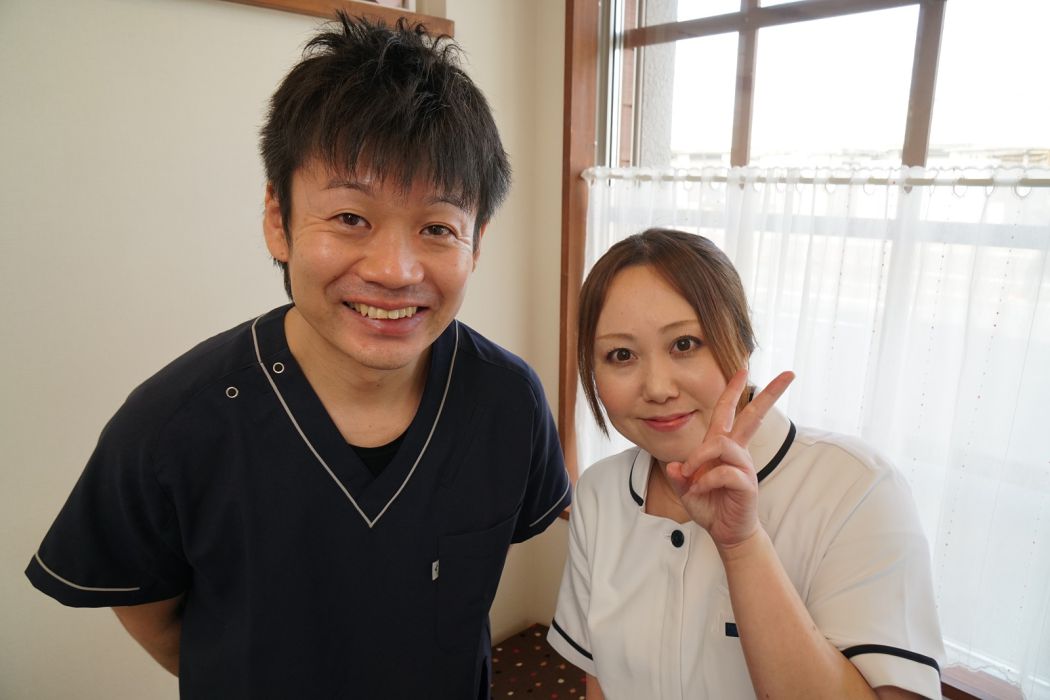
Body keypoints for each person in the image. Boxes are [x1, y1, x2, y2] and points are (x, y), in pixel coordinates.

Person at [26, 14, 569, 699]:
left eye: (437, 227)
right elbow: (155, 620)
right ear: (277, 220)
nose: (395, 270)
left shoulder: (507, 400)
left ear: (477, 243)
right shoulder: (171, 426)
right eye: (350, 218)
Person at [548, 229, 944, 699]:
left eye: (684, 344)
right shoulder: (599, 492)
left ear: (742, 341)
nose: (657, 387)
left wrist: (742, 545)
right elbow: (600, 682)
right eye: (621, 355)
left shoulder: (857, 488)